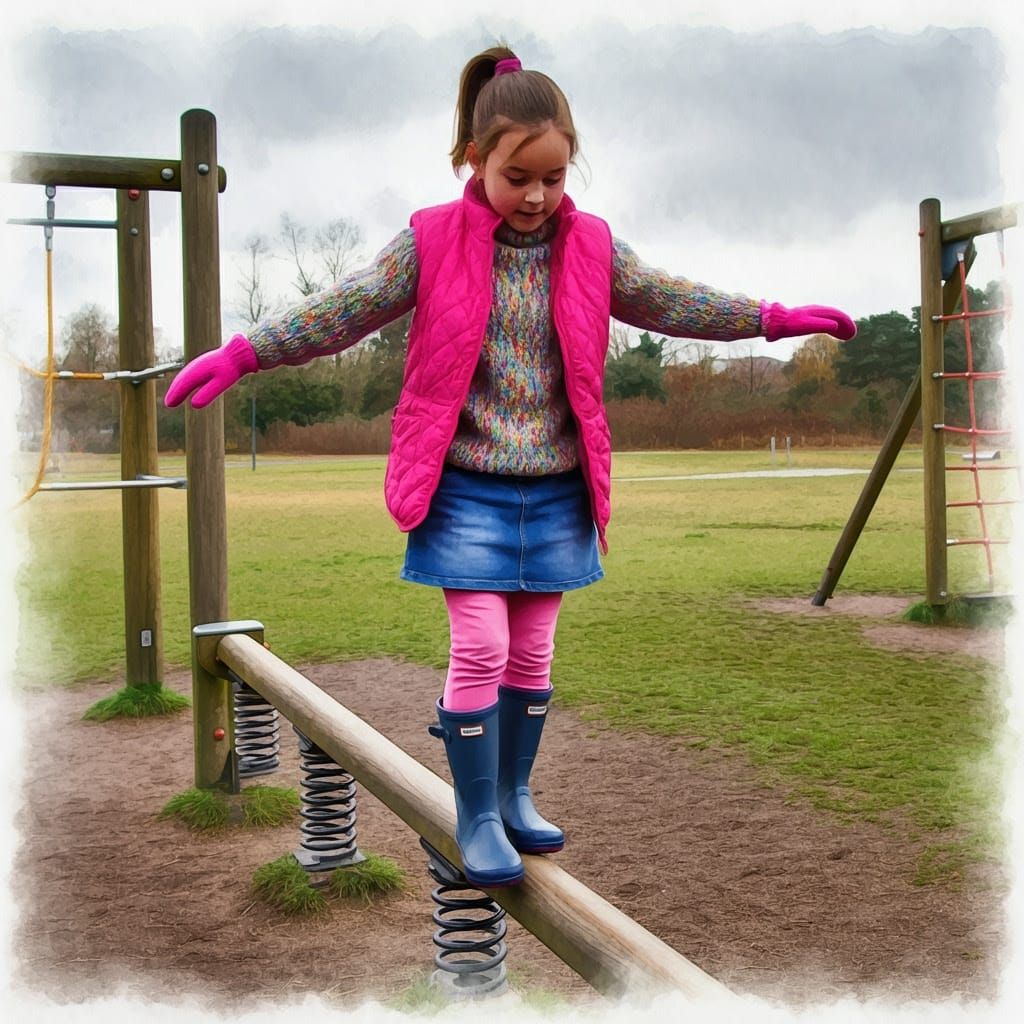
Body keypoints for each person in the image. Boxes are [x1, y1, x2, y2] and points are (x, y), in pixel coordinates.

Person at [165, 45, 856, 889]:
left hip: (558, 487)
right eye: (517, 176)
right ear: (474, 161)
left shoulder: (594, 246)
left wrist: (770, 319)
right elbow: (340, 309)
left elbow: (677, 300)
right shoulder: (431, 240)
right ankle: (478, 814)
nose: (536, 196)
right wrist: (247, 352)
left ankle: (515, 790)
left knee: (532, 656)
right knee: (482, 645)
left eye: (555, 178)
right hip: (465, 483)